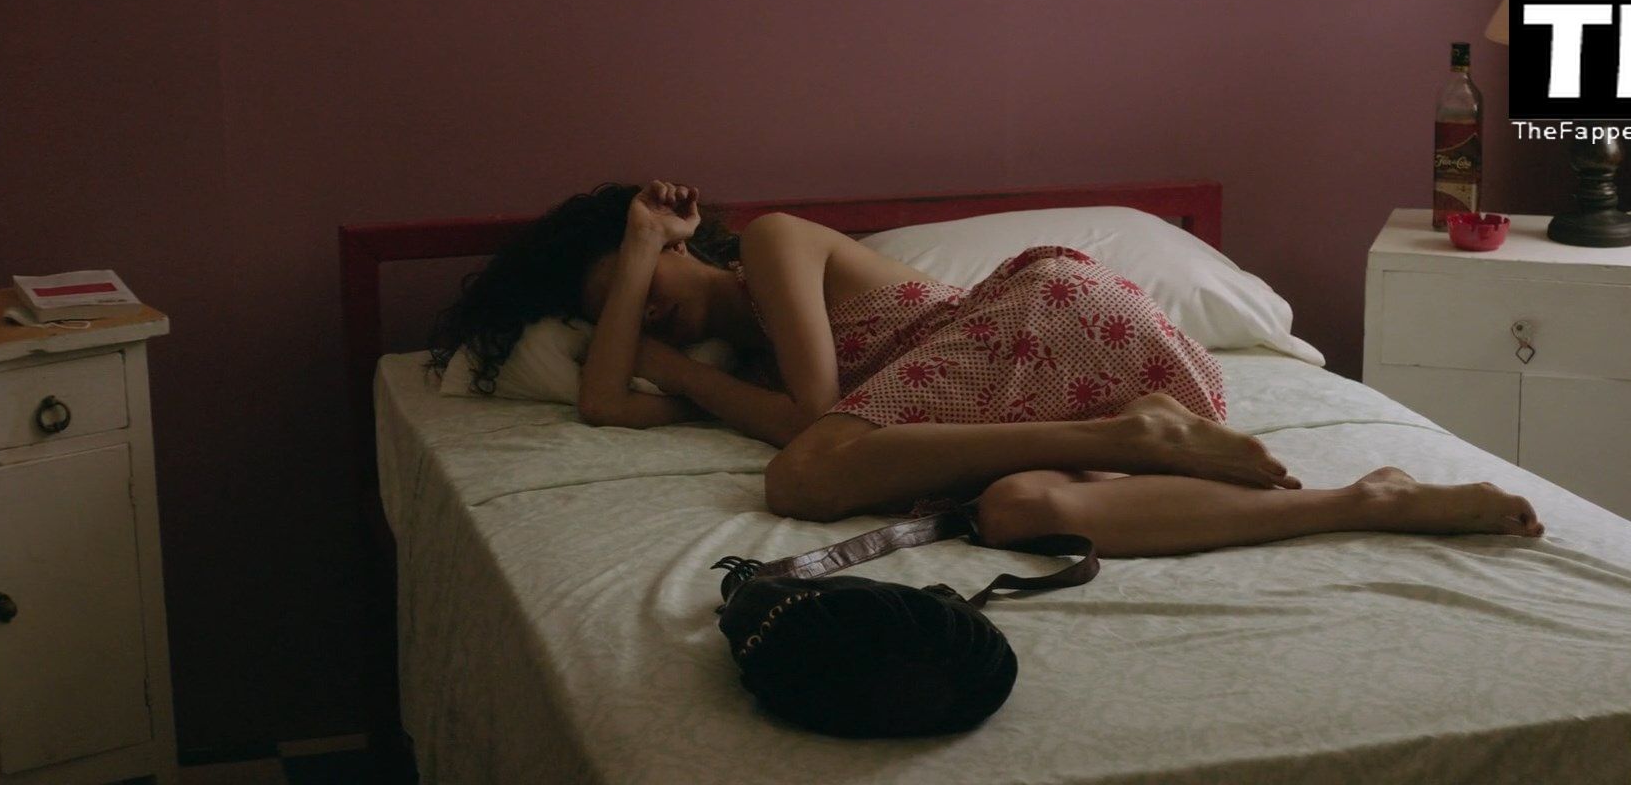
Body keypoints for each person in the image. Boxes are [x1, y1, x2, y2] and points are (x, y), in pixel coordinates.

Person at [429, 181, 1543, 557]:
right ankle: (1366, 501)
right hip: (1065, 403)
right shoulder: (728, 365)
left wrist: (657, 293)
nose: (645, 310)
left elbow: (813, 420)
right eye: (618, 310)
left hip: (1052, 324)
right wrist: (643, 309)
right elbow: (599, 402)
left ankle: (1128, 437)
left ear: (688, 239)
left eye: (647, 274)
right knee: (1023, 513)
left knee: (801, 475)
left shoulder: (770, 242)